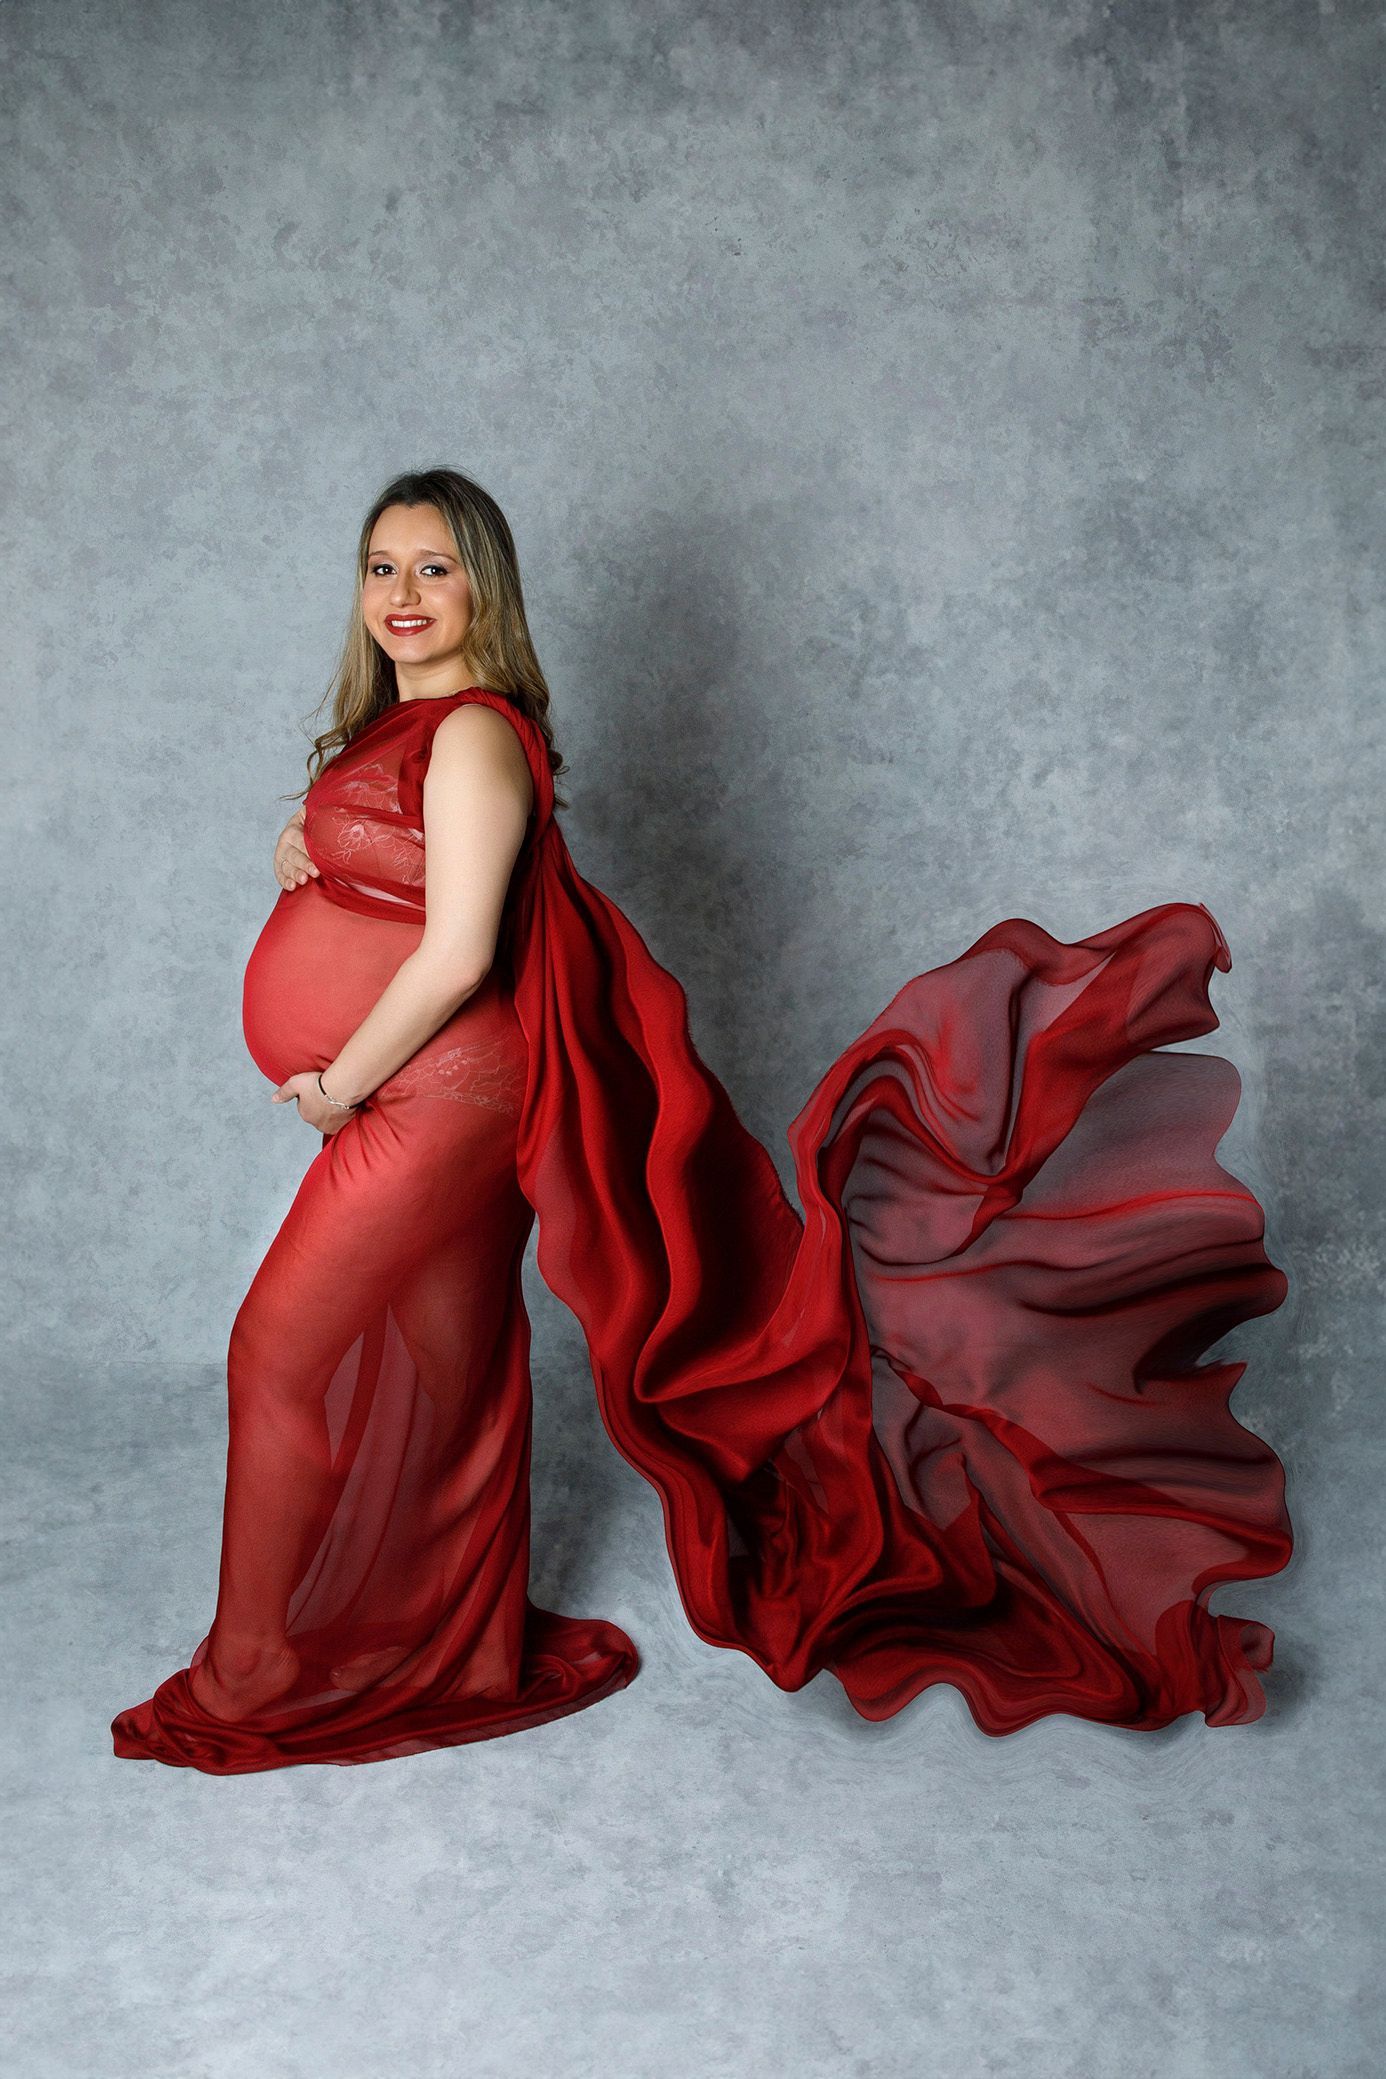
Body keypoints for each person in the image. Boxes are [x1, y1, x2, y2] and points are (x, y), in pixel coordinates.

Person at [111, 467, 1294, 1775]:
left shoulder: (473, 736)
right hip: (426, 1092)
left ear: (483, 588)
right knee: (454, 1371)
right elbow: (402, 860)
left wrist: (340, 1085)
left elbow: (455, 956)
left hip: (434, 1097)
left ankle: (265, 1671)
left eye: (435, 568)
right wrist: (315, 834)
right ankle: (451, 1649)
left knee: (276, 1353)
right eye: (382, 567)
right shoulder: (411, 737)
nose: (404, 594)